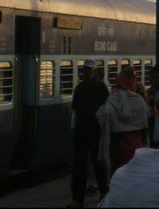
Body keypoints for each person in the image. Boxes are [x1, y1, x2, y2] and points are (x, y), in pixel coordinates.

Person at [68, 59, 110, 208]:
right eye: (84, 69)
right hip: (81, 131)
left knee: (98, 164)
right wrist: (73, 130)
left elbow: (106, 110)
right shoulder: (79, 88)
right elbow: (75, 110)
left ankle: (104, 192)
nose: (85, 72)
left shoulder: (101, 88)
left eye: (89, 70)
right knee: (79, 166)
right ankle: (77, 199)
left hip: (96, 132)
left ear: (94, 71)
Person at [97, 67, 149, 177]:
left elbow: (103, 113)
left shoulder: (114, 98)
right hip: (138, 145)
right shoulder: (139, 100)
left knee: (119, 176)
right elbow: (145, 122)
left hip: (119, 145)